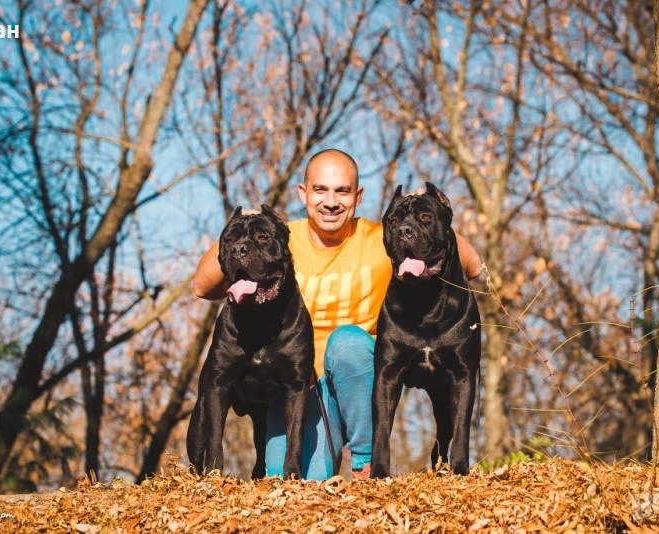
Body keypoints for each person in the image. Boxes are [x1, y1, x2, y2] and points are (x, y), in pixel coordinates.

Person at [193, 149, 482, 480]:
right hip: (305, 389)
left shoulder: (381, 237)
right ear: (303, 193)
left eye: (342, 191)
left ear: (357, 196)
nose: (331, 201)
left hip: (361, 380)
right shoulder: (279, 240)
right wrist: (238, 232)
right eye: (320, 190)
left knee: (346, 343)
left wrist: (431, 217)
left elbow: (471, 267)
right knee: (283, 476)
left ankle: (367, 460)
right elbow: (202, 287)